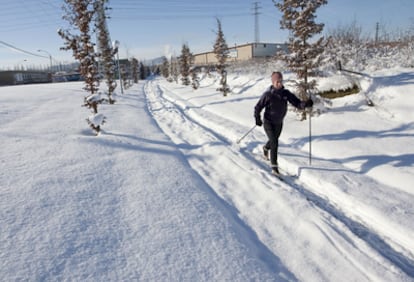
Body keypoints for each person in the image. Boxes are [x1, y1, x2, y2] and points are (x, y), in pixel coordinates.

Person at [254, 71, 313, 175]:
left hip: (279, 122)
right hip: (268, 122)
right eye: (277, 81)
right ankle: (274, 167)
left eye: (281, 81)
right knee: (275, 142)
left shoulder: (286, 93)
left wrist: (306, 104)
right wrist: (257, 118)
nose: (279, 83)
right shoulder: (268, 94)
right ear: (273, 82)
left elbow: (297, 103)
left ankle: (265, 148)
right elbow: (258, 107)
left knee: (274, 140)